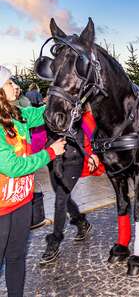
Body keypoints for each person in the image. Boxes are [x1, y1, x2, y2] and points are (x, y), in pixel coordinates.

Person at [0, 65, 66, 297]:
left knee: (16, 256)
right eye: (10, 82)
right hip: (0, 207)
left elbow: (41, 114)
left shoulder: (17, 115)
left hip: (21, 201)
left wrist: (61, 95)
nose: (16, 86)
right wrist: (49, 153)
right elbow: (12, 167)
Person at [40, 105, 104, 264]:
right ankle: (82, 222)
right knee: (63, 198)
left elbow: (93, 131)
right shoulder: (48, 111)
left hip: (73, 161)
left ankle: (55, 241)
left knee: (60, 199)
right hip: (53, 160)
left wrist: (94, 154)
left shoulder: (77, 110)